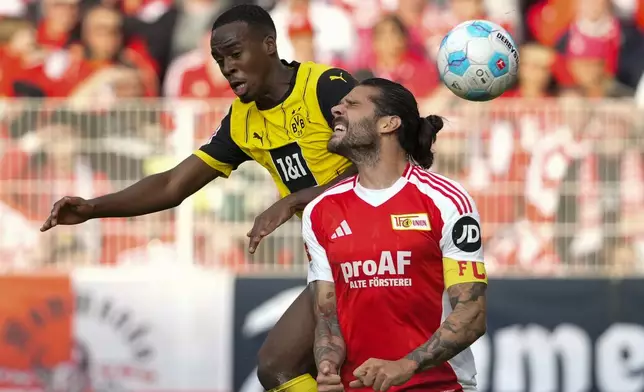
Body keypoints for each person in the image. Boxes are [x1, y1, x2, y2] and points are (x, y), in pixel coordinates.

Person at [40, 4, 359, 392]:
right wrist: (93, 208)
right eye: (219, 59)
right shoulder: (242, 121)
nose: (227, 68)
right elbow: (173, 185)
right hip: (331, 259)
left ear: (270, 44)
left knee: (375, 366)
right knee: (278, 367)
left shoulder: (328, 86)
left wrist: (296, 200)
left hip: (381, 248)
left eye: (236, 54)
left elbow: (381, 166)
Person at [303, 78, 488, 391]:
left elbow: (472, 312)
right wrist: (327, 367)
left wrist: (407, 365)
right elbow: (327, 317)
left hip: (437, 385)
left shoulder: (446, 200)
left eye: (352, 104)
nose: (336, 109)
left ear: (389, 123)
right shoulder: (320, 210)